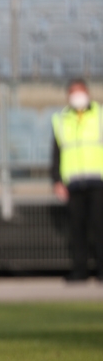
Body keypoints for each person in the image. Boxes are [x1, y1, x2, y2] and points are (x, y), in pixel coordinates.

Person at [51, 78, 103, 282]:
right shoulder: (61, 119)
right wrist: (57, 180)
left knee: (100, 228)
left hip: (99, 181)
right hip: (73, 183)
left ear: (88, 93)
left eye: (80, 91)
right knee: (77, 230)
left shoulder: (100, 115)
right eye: (73, 92)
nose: (77, 96)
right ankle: (80, 271)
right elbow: (56, 153)